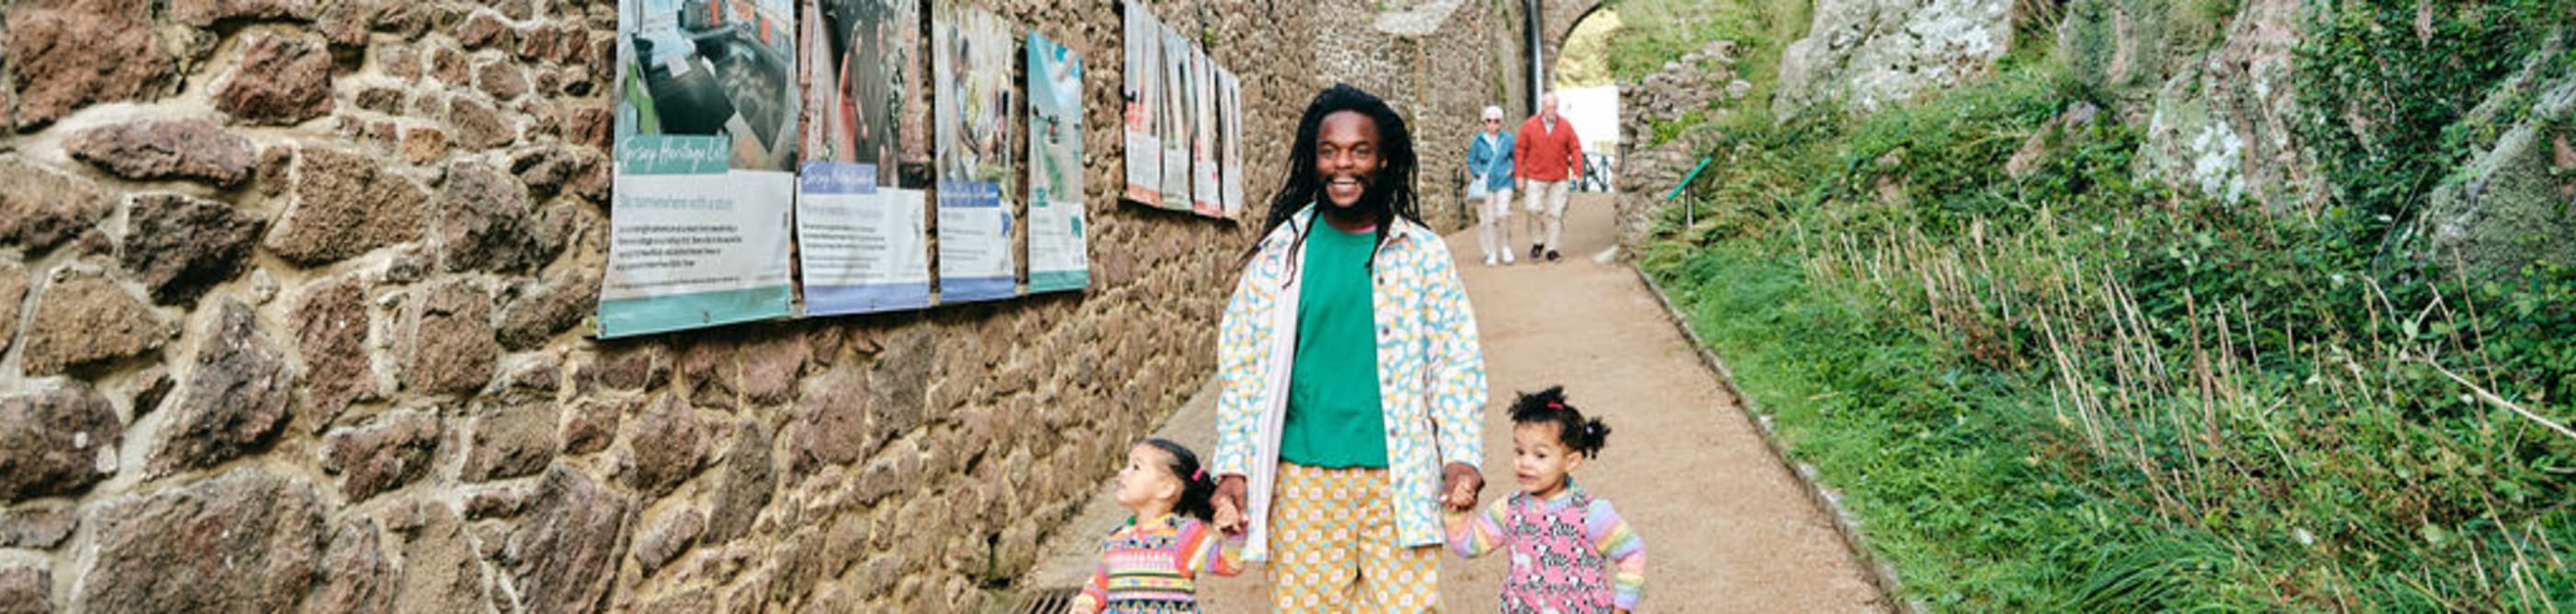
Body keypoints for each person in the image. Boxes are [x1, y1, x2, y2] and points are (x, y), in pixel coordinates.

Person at [1210, 84, 1488, 613]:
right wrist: (1234, 467)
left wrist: (1460, 456)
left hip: (1400, 477)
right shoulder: (1279, 256)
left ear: (1383, 160)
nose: (1344, 164)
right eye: (1329, 150)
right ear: (1312, 159)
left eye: (1360, 151)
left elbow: (1455, 361)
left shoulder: (1421, 254)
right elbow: (1243, 368)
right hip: (1303, 481)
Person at [1446, 387, 1646, 614]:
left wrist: (1622, 608)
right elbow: (1469, 545)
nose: (1525, 463)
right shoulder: (1509, 509)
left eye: (1540, 455)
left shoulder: (1591, 513)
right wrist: (1457, 510)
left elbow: (1632, 553)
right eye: (1519, 451)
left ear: (1571, 461)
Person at [1072, 439, 1245, 614]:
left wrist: (1233, 533)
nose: (1122, 473)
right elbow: (1101, 583)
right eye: (1127, 465)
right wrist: (1086, 603)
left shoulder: (1184, 535)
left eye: (1136, 467)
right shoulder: (1116, 538)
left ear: (1166, 489)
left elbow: (1232, 564)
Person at [1512, 92, 1584, 262]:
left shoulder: (1565, 126)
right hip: (1536, 177)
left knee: (1556, 214)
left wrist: (1577, 172)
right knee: (1532, 208)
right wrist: (1519, 175)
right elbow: (1520, 150)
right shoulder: (1529, 126)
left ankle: (1552, 249)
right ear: (1542, 107)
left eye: (1554, 107)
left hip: (1559, 178)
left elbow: (1575, 148)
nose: (1551, 110)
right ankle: (1538, 242)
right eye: (1548, 107)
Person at [1466, 105, 1519, 266]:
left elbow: (1518, 156)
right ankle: (1491, 252)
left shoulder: (1508, 139)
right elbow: (1471, 160)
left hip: (1504, 182)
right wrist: (1477, 172)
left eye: (1496, 121)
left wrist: (1513, 169)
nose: (1493, 124)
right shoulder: (1478, 140)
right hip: (1486, 185)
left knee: (1502, 215)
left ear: (1501, 122)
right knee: (1488, 220)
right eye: (1489, 121)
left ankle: (1505, 247)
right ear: (1484, 122)